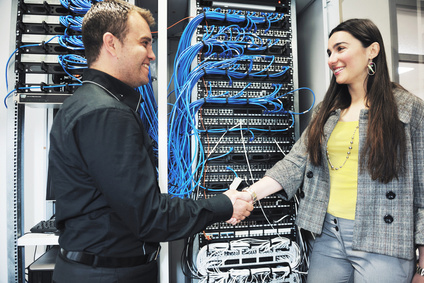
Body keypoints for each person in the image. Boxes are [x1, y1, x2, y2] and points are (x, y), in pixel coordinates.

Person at [48, 1, 253, 282]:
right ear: (112, 43)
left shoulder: (82, 103)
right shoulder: (107, 114)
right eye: (144, 43)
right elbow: (149, 216)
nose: (152, 55)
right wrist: (223, 205)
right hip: (108, 274)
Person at [239, 18, 424, 283]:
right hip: (328, 235)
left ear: (372, 51)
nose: (331, 59)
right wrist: (248, 195)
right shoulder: (326, 111)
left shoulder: (408, 108)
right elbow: (294, 163)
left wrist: (424, 266)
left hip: (384, 240)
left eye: (340, 49)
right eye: (329, 52)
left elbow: (425, 192)